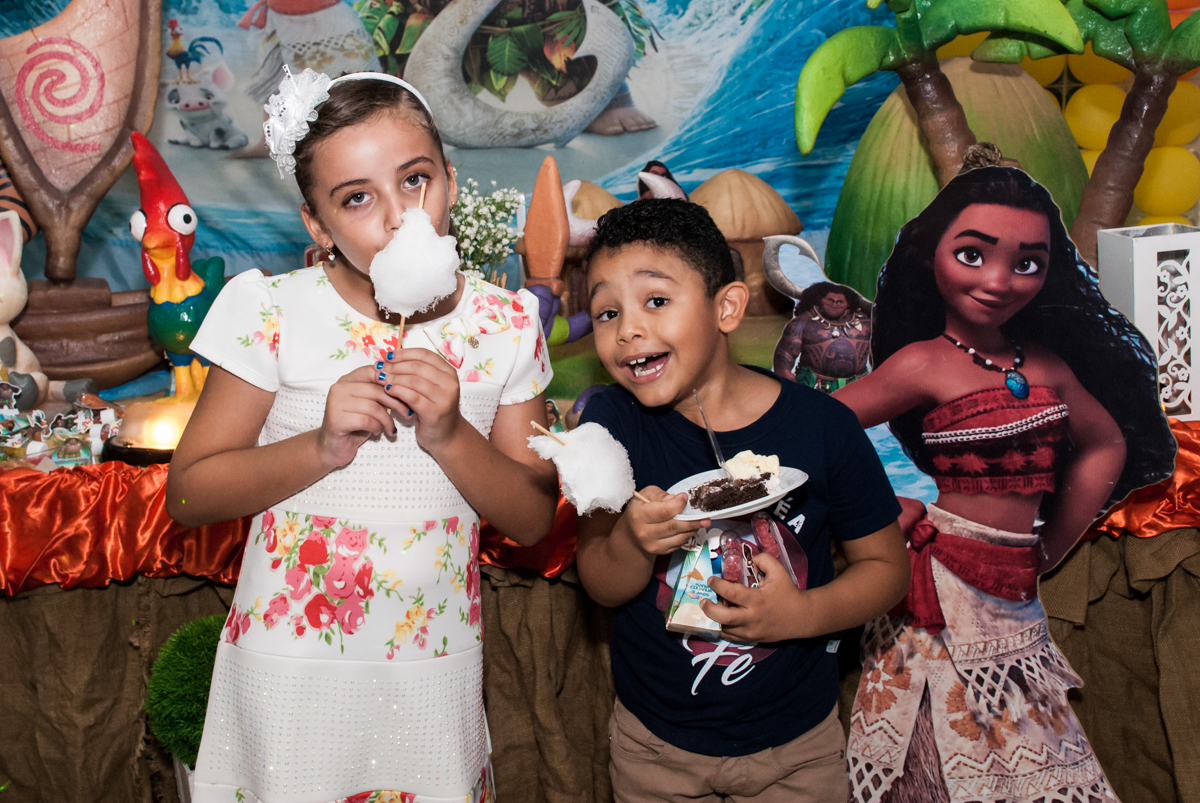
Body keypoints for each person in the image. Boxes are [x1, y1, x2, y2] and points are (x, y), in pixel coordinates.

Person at [166, 71, 559, 803]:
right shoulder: (272, 310)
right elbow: (188, 492)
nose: (397, 216)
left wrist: (448, 435)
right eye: (356, 197)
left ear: (451, 176)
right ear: (318, 226)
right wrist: (318, 447)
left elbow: (533, 517)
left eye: (415, 180)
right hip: (287, 670)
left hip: (430, 674)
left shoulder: (506, 324)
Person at [832, 163, 1176, 803]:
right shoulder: (924, 363)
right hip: (938, 586)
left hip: (1014, 586)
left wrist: (1054, 543)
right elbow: (816, 431)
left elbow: (1106, 444)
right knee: (938, 746)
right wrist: (883, 508)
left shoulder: (1044, 365)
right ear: (930, 254)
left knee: (1036, 755)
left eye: (1027, 263)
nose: (998, 281)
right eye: (972, 254)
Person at [574, 198, 910, 802]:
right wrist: (630, 539)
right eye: (605, 312)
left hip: (797, 751)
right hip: (655, 749)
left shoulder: (824, 427)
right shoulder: (609, 428)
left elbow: (888, 572)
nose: (627, 329)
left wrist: (800, 616)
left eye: (655, 301)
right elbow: (600, 581)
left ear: (726, 307)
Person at [772, 281, 872, 392]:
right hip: (812, 386)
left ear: (848, 304)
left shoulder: (866, 321)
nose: (834, 303)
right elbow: (784, 356)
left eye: (839, 301)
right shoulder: (803, 322)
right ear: (819, 299)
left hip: (856, 387)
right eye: (830, 300)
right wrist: (785, 375)